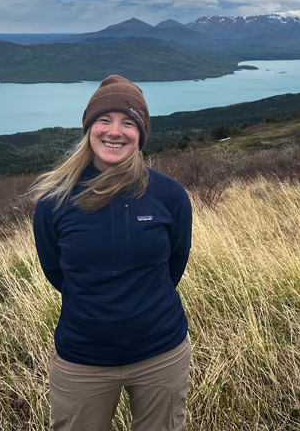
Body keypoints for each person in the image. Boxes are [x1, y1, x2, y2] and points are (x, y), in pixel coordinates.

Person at [30, 74, 192, 431]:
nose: (115, 131)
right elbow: (57, 272)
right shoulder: (54, 202)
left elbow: (174, 264)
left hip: (162, 353)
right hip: (83, 359)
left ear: (142, 133)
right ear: (89, 127)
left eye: (128, 122)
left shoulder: (169, 195)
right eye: (104, 120)